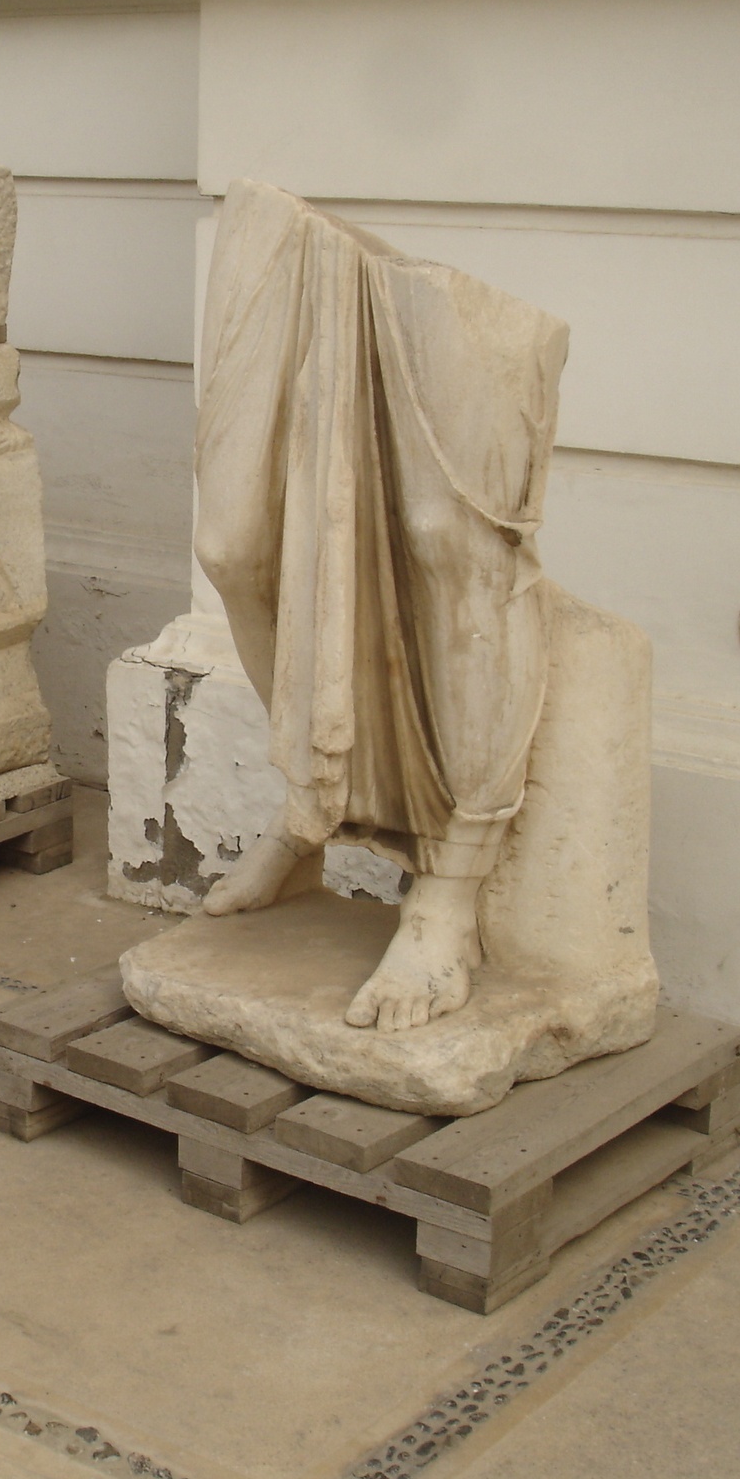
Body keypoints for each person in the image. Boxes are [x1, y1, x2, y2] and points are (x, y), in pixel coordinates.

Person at [194, 181, 569, 1034]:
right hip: (278, 239)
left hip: (431, 311)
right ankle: (311, 804)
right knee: (232, 542)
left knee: (451, 541)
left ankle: (449, 890)